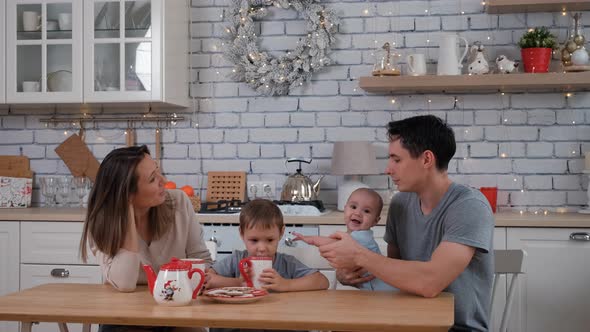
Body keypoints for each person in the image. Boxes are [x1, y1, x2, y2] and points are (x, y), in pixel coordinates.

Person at [317, 115, 494, 332]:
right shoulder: (401, 204)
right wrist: (349, 274)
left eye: (397, 159)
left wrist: (358, 255)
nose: (388, 169)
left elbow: (429, 283)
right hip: (408, 320)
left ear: (427, 159)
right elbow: (396, 278)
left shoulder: (469, 206)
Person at [79, 145, 211, 332]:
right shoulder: (102, 222)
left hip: (176, 314)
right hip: (124, 320)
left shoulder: (179, 202)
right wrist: (127, 215)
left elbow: (201, 260)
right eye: (152, 179)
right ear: (128, 194)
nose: (163, 181)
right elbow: (124, 284)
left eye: (158, 172)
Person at [205, 199, 329, 292]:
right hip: (240, 322)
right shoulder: (236, 260)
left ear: (281, 233)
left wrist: (285, 284)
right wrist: (239, 282)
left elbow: (322, 281)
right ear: (242, 234)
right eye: (254, 240)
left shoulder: (287, 264)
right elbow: (208, 279)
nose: (262, 248)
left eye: (269, 240)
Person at [293, 187, 396, 291]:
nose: (358, 213)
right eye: (353, 207)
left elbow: (333, 244)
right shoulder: (353, 236)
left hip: (386, 291)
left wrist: (310, 239)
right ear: (345, 209)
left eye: (366, 211)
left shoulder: (363, 237)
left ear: (375, 221)